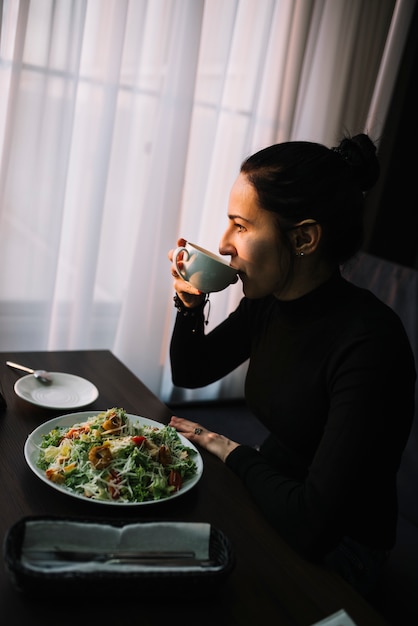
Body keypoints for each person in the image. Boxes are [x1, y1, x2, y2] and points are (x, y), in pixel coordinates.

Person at [167, 134, 416, 597]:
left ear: (303, 237)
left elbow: (312, 525)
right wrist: (189, 304)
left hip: (342, 546)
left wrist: (229, 449)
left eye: (240, 226)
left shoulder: (370, 344)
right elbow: (192, 372)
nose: (223, 245)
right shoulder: (272, 300)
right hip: (275, 488)